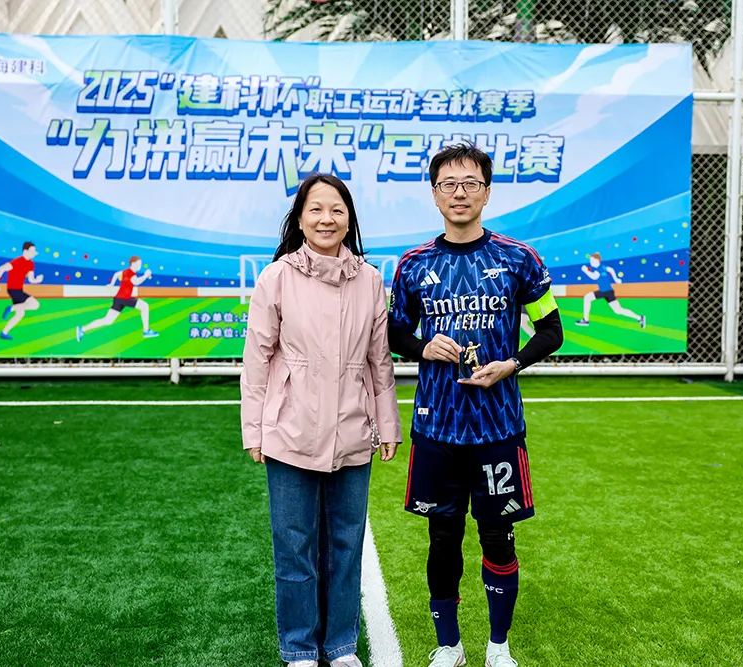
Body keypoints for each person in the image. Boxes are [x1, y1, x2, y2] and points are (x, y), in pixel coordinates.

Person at [387, 143, 564, 667]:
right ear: (434, 194)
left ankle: (498, 647)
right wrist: (423, 347)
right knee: (442, 540)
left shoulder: (519, 258)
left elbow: (551, 330)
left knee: (498, 539)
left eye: (470, 183)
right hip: (436, 428)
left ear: (487, 192)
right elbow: (394, 332)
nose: (459, 193)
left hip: (498, 429)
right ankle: (449, 647)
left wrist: (512, 363)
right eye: (449, 184)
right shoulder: (414, 264)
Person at [240, 173, 402, 667]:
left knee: (346, 545)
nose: (326, 219)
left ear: (349, 219)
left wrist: (388, 425)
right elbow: (257, 360)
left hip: (352, 431)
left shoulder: (369, 280)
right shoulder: (277, 277)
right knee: (294, 547)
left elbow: (379, 361)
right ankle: (299, 648)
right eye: (316, 209)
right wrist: (254, 429)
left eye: (336, 210)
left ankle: (341, 646)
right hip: (289, 432)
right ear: (300, 218)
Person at [76, 256, 159, 341]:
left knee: (108, 320)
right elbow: (136, 282)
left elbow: (116, 274)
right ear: (133, 263)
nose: (140, 266)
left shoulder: (125, 271)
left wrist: (112, 284)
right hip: (125, 298)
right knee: (145, 306)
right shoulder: (130, 273)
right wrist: (146, 275)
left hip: (119, 299)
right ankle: (146, 331)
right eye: (139, 264)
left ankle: (83, 329)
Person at [575, 252, 646, 328]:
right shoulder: (603, 267)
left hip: (604, 291)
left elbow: (594, 277)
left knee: (587, 297)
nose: (590, 262)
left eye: (592, 261)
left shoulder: (598, 270)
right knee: (618, 310)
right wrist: (616, 279)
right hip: (609, 291)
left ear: (597, 260)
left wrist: (585, 270)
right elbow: (611, 269)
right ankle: (640, 318)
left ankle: (586, 320)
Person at [0, 241, 43, 340]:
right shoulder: (17, 261)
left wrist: (38, 280)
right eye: (32, 250)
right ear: (25, 251)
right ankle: (11, 308)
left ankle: (4, 333)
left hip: (18, 290)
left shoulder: (31, 264)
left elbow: (31, 279)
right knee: (35, 305)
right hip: (13, 290)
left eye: (34, 251)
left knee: (20, 314)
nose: (34, 253)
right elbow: (1, 269)